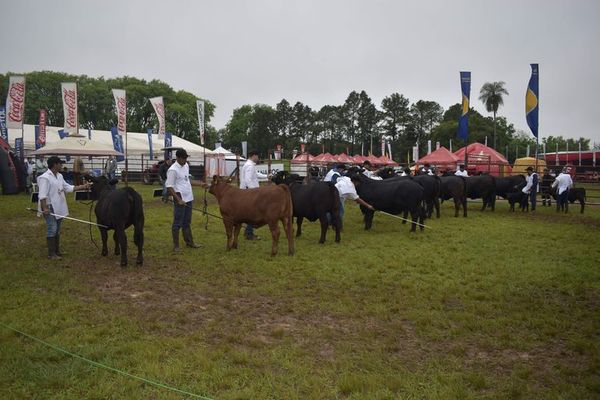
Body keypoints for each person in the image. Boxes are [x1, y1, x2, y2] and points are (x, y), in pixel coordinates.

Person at [37, 156, 90, 259]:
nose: (62, 165)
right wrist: (45, 208)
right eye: (60, 163)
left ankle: (56, 251)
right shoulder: (45, 177)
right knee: (52, 228)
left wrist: (83, 187)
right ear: (55, 164)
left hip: (59, 206)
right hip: (50, 207)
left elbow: (67, 187)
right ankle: (51, 254)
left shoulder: (60, 176)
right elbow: (42, 195)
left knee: (57, 229)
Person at [166, 149, 203, 251]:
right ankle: (176, 246)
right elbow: (169, 186)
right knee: (177, 222)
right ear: (178, 158)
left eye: (186, 158)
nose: (185, 160)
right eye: (183, 158)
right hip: (180, 198)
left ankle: (190, 242)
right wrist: (178, 200)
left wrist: (200, 184)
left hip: (188, 197)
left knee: (187, 221)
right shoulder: (173, 170)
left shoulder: (186, 166)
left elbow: (187, 180)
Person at [240, 150, 269, 240]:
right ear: (254, 156)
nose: (258, 158)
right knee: (252, 214)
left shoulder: (250, 165)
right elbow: (248, 180)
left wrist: (266, 176)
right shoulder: (249, 165)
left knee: (250, 213)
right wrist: (255, 192)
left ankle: (248, 232)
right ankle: (249, 233)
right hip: (250, 192)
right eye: (257, 156)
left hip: (247, 191)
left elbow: (255, 175)